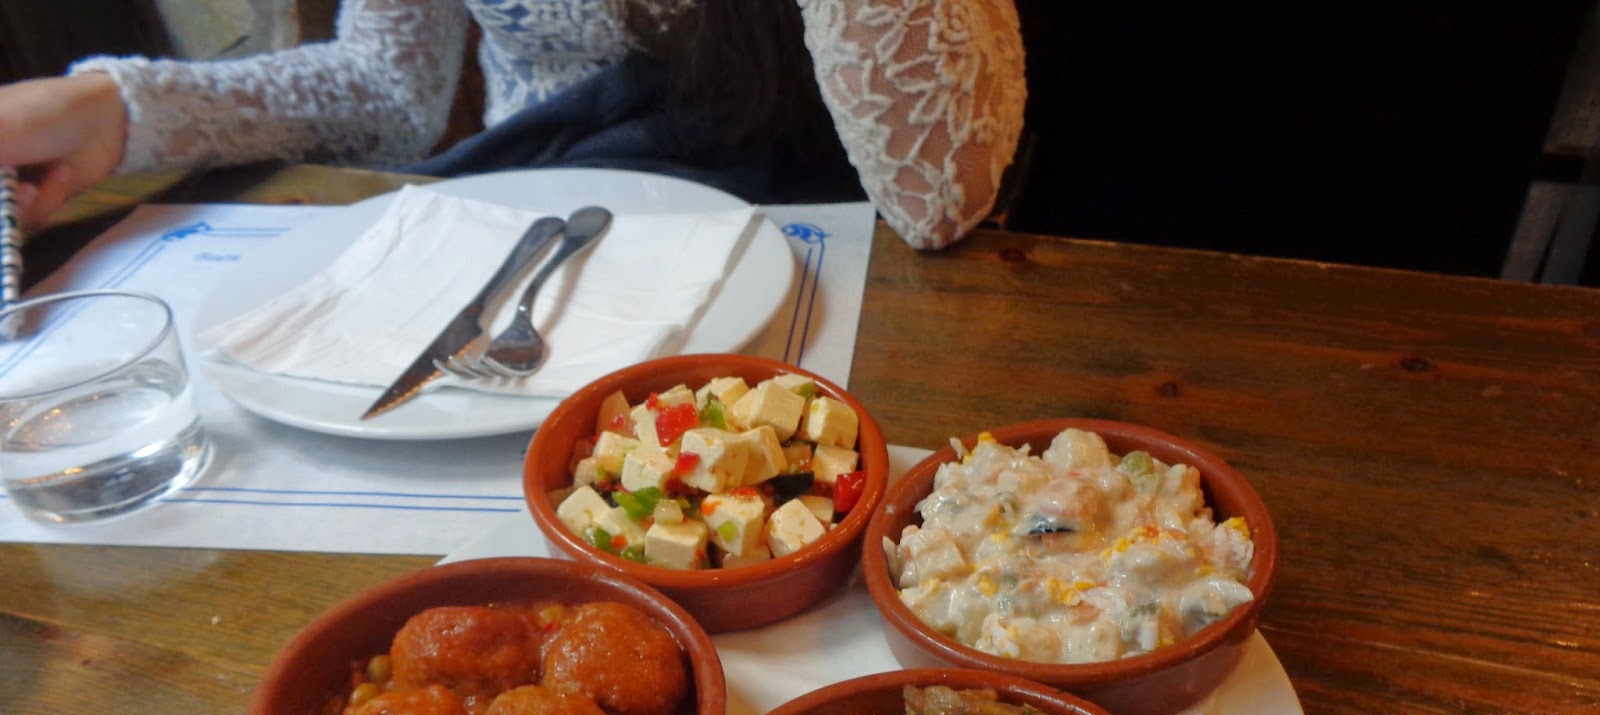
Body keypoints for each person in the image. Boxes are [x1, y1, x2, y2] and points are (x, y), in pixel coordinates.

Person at [0, 0, 1026, 251]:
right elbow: (388, 87)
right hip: (519, 246)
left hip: (821, 247)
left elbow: (937, 199)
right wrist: (116, 111)